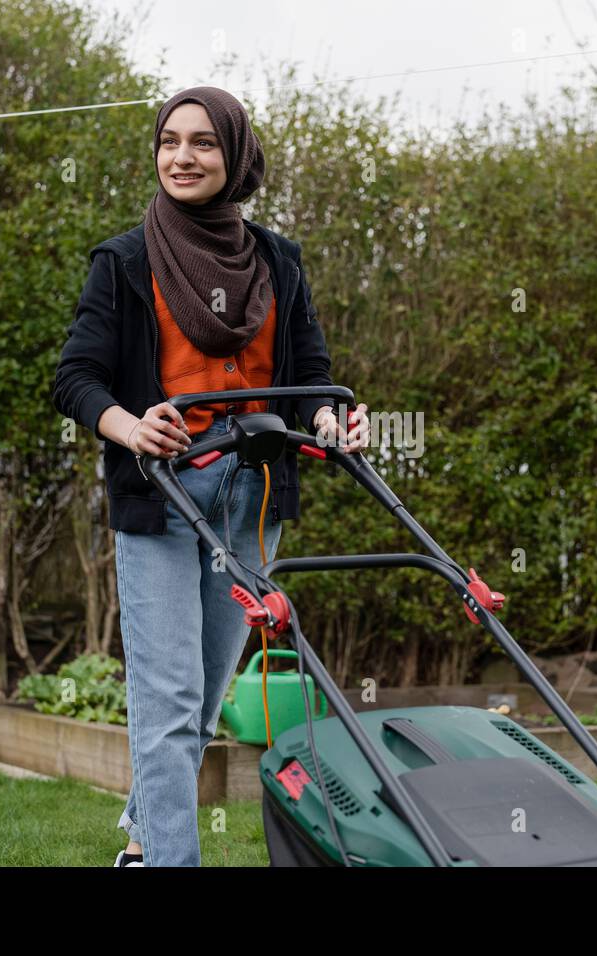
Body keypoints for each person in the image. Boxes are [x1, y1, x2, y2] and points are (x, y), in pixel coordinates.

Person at [51, 86, 369, 867]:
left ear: (235, 157)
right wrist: (132, 426)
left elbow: (314, 373)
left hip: (252, 499)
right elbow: (77, 378)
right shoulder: (125, 261)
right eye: (169, 141)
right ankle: (168, 862)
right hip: (159, 495)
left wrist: (332, 419)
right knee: (169, 701)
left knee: (203, 694)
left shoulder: (278, 262)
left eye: (202, 143)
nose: (182, 157)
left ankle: (138, 840)